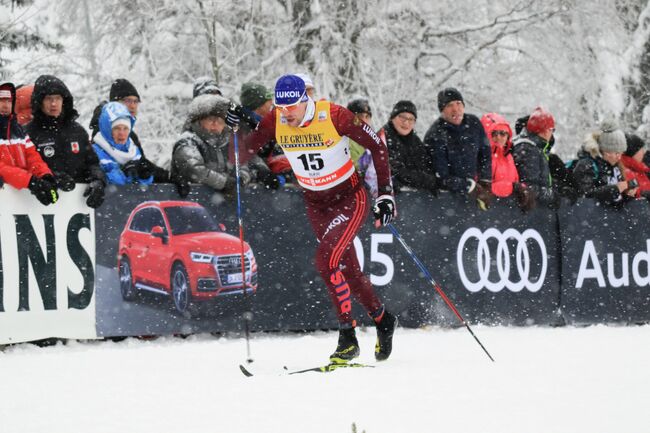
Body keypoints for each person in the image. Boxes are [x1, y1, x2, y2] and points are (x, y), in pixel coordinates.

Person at [227, 74, 398, 363]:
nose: (287, 113)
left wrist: (385, 195)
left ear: (306, 99)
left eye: (292, 106)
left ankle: (347, 337)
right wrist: (236, 129)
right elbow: (243, 153)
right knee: (349, 272)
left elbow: (377, 147)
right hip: (316, 204)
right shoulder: (278, 118)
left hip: (349, 199)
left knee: (325, 261)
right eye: (281, 107)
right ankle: (382, 319)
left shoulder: (334, 116)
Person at [26, 75, 106, 208]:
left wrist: (98, 181)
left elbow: (92, 163)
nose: (53, 103)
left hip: (78, 205)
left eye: (57, 98)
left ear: (64, 100)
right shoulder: (29, 133)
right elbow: (26, 167)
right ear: (39, 102)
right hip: (42, 205)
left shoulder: (77, 131)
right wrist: (52, 177)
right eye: (48, 99)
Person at [424, 87, 492, 209]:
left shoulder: (474, 123)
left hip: (474, 193)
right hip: (446, 201)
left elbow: (485, 153)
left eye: (458, 103)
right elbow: (441, 176)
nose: (455, 109)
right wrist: (469, 186)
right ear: (442, 110)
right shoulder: (435, 135)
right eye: (449, 105)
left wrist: (485, 180)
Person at [89, 78, 168, 183]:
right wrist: (123, 172)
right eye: (128, 100)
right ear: (114, 103)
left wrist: (165, 176)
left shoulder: (131, 137)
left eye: (136, 101)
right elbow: (100, 169)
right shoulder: (102, 132)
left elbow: (142, 165)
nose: (133, 106)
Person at [171, 93, 250, 192]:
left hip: (224, 203)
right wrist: (224, 183)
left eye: (221, 120)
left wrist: (241, 178)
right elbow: (195, 171)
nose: (215, 124)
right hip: (192, 201)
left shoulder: (229, 142)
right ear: (199, 121)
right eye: (210, 119)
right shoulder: (188, 142)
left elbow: (243, 164)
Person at [0, 81, 59, 205]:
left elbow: (32, 157)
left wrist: (45, 176)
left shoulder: (18, 129)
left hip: (19, 200)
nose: (5, 105)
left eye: (9, 101)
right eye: (2, 101)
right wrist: (30, 181)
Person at [571, 118, 637, 207]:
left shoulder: (616, 166)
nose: (619, 157)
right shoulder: (586, 165)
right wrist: (615, 189)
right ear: (606, 152)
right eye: (616, 153)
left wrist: (628, 194)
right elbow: (584, 196)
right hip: (592, 219)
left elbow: (617, 202)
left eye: (621, 153)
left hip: (610, 219)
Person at [512, 107, 565, 208]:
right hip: (529, 214)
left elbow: (540, 181)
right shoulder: (529, 149)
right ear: (545, 130)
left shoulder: (534, 147)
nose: (551, 133)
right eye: (551, 130)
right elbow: (531, 188)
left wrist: (557, 187)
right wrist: (553, 196)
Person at [380, 100, 437, 195]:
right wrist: (427, 181)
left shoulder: (414, 140)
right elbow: (398, 172)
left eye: (411, 119)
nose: (406, 122)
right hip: (395, 200)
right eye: (402, 117)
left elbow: (426, 165)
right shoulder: (383, 138)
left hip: (416, 201)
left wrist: (433, 180)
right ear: (392, 118)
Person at [480, 112, 535, 211]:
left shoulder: (509, 156)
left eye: (503, 133)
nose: (499, 137)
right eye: (494, 133)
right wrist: (513, 188)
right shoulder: (481, 157)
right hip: (487, 214)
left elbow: (515, 182)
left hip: (506, 214)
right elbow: (483, 189)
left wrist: (523, 189)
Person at [92, 101, 153, 186]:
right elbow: (101, 184)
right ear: (107, 130)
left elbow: (143, 189)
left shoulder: (134, 150)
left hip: (132, 198)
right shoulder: (95, 152)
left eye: (125, 128)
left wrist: (145, 176)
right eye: (117, 128)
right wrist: (122, 173)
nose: (122, 133)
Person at [347, 97, 378, 197]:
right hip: (353, 196)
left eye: (367, 116)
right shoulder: (344, 141)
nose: (364, 120)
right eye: (360, 116)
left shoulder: (374, 140)